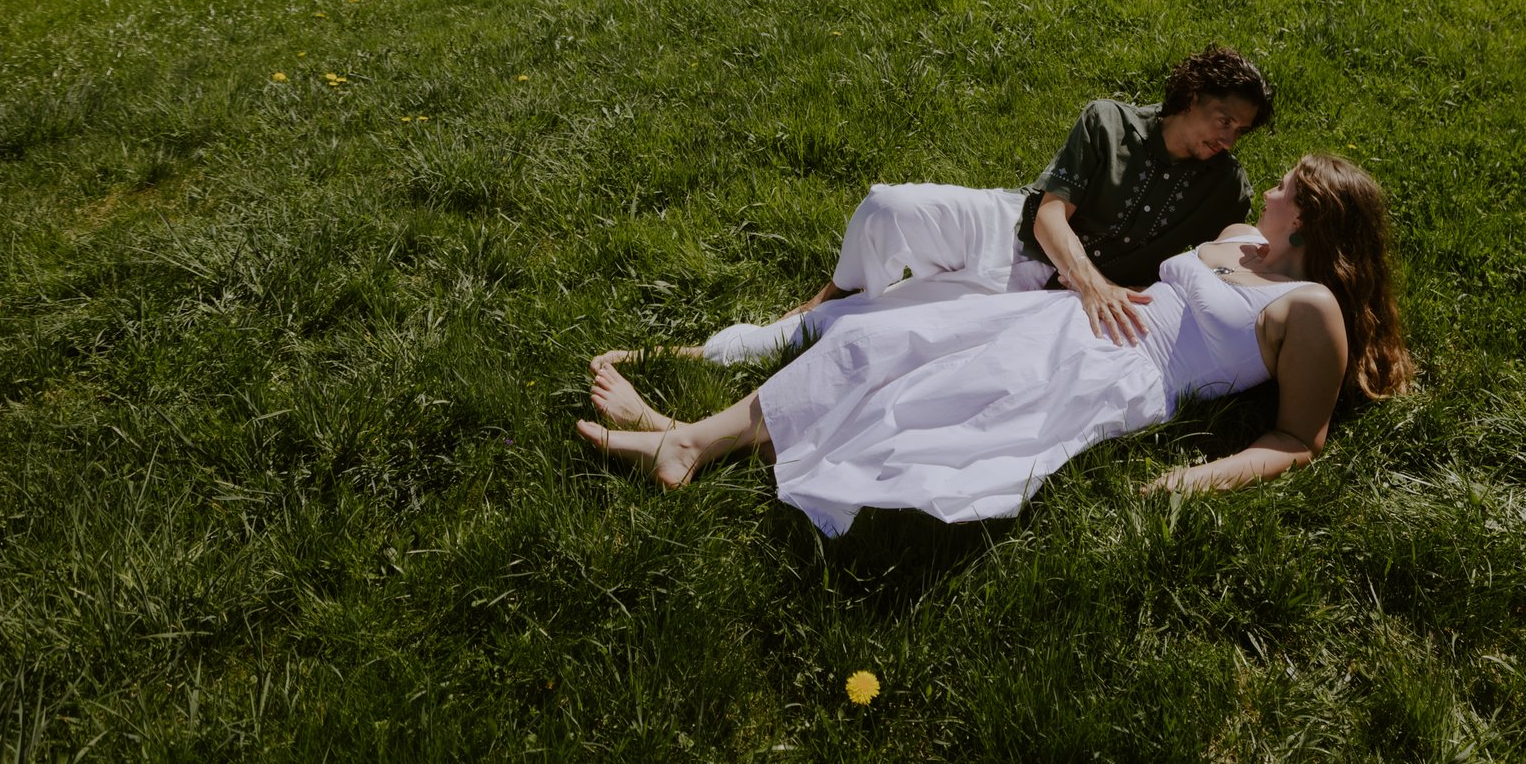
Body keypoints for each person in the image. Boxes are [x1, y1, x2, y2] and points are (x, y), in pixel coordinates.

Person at [576, 155, 1411, 535]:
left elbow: (1298, 440)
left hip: (1120, 369)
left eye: (1284, 188)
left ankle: (686, 440)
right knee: (885, 341)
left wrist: (1185, 482)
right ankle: (685, 438)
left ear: (1305, 215)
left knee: (923, 411)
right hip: (1061, 319)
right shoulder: (1238, 236)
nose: (1265, 189)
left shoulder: (1309, 308)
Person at [693, 45, 1273, 363]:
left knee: (858, 329)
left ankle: (707, 352)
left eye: (1239, 132)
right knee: (885, 207)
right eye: (1224, 121)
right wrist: (1091, 282)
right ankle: (828, 291)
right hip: (1010, 228)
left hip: (1038, 296)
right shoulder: (1110, 121)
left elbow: (1236, 257)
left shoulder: (1227, 186)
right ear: (1192, 96)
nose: (1227, 140)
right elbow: (1048, 216)